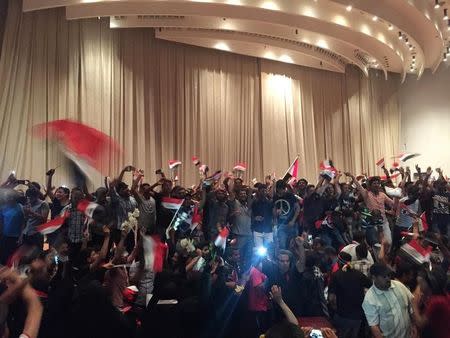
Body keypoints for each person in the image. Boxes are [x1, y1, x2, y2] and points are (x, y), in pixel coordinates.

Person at [362, 263, 414, 338]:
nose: (388, 279)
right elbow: (374, 327)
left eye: (388, 275)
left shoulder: (399, 286)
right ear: (374, 277)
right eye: (384, 276)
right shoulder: (370, 299)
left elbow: (411, 305)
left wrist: (414, 325)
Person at [328, 252, 372, 338]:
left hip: (342, 315)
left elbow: (331, 298)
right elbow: (371, 286)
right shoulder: (359, 274)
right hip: (357, 317)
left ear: (339, 262)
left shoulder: (336, 275)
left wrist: (336, 309)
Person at [345, 174, 394, 244]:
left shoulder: (382, 195)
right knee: (376, 244)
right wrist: (353, 177)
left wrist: (397, 199)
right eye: (374, 183)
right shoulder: (366, 194)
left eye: (378, 183)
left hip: (384, 222)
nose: (376, 185)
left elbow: (392, 203)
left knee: (389, 242)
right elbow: (359, 186)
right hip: (372, 223)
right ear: (370, 185)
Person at [412, 267, 449, 338]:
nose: (420, 284)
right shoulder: (442, 296)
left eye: (424, 281)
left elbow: (420, 323)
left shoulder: (436, 301)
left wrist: (414, 304)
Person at [273, 180, 300, 249]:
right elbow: (274, 208)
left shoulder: (290, 196)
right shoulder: (275, 197)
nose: (280, 191)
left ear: (284, 188)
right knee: (282, 245)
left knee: (293, 245)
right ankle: (283, 259)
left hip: (292, 224)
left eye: (282, 189)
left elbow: (297, 208)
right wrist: (276, 214)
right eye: (278, 189)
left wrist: (293, 220)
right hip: (281, 224)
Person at [0, 190, 24, 264]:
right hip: (3, 235)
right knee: (2, 256)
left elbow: (23, 223)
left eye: (8, 196)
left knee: (10, 257)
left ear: (13, 198)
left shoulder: (20, 207)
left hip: (14, 237)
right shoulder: (3, 207)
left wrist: (21, 236)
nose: (6, 197)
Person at [251, 183, 274, 251]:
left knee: (269, 250)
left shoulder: (270, 202)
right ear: (258, 191)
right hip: (257, 230)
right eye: (261, 191)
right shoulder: (254, 202)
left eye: (265, 191)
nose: (263, 193)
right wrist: (255, 218)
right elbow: (250, 213)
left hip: (268, 230)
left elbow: (274, 215)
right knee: (258, 251)